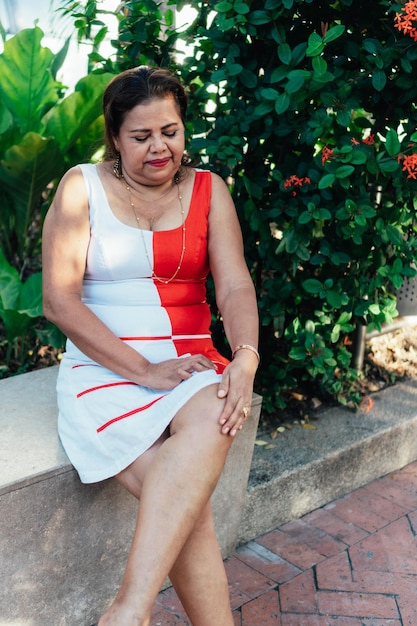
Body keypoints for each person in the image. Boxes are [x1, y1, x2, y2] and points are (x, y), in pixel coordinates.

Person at [42, 65, 259, 626]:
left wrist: (245, 357)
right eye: (141, 137)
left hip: (188, 365)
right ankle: (134, 609)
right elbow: (60, 303)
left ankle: (127, 611)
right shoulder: (80, 187)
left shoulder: (209, 190)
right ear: (115, 138)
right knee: (189, 511)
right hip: (105, 369)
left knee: (216, 412)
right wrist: (142, 369)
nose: (160, 148)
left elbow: (234, 284)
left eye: (171, 131)